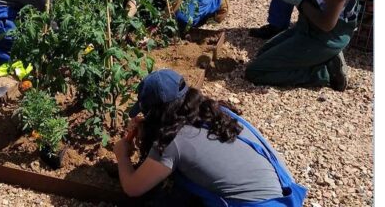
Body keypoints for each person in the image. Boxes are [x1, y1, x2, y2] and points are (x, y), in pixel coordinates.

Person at [113, 69, 307, 206]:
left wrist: (122, 155)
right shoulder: (217, 113)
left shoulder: (173, 142)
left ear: (156, 114)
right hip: (285, 194)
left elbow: (133, 188)